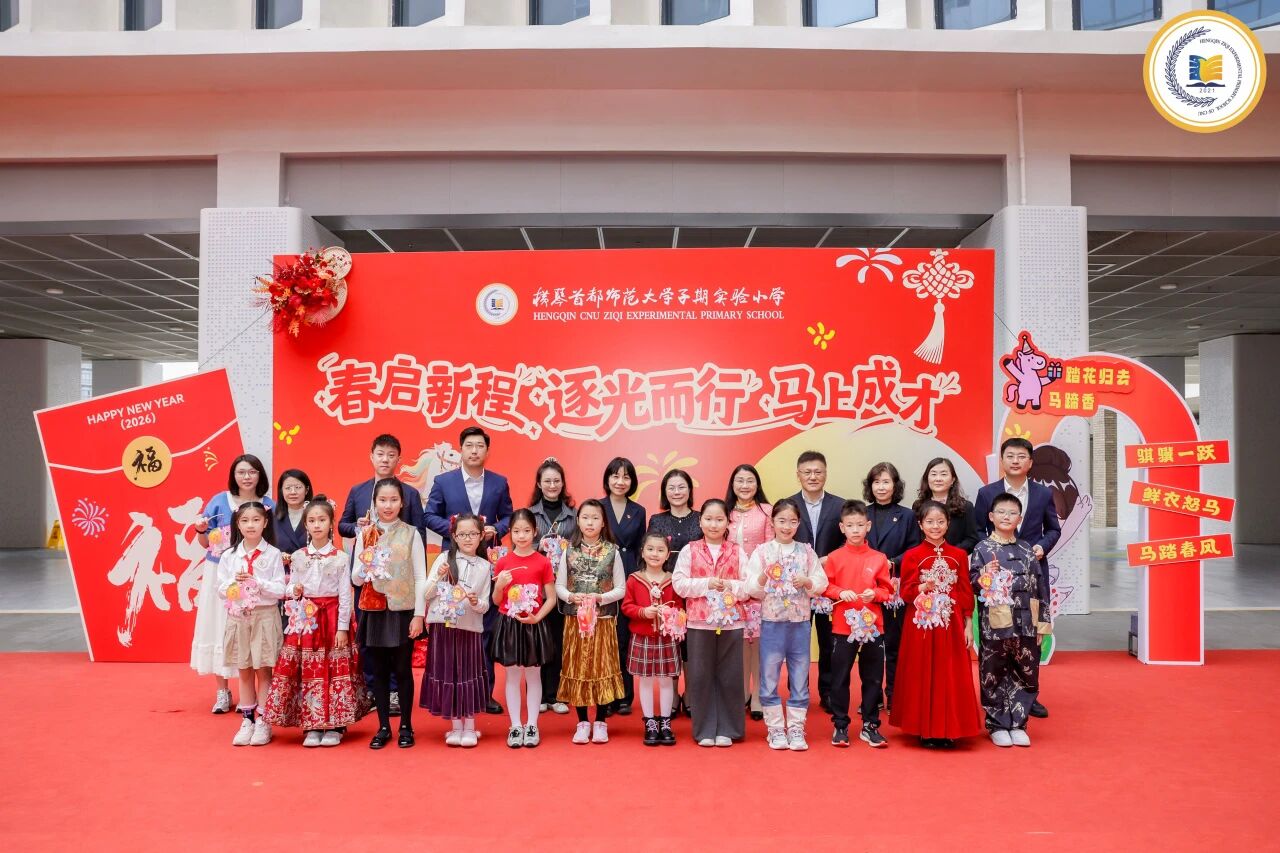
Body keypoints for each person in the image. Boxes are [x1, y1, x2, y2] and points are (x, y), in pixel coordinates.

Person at [262, 496, 371, 747]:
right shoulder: (298, 557)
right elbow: (290, 588)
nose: (317, 524)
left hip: (332, 618)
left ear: (331, 523)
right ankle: (312, 724)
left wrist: (343, 627)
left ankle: (336, 725)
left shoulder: (340, 557)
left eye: (322, 520)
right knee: (308, 669)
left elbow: (345, 595)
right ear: (306, 525)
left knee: (334, 669)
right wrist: (295, 591)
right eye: (311, 520)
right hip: (306, 620)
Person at [424, 426, 513, 715]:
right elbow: (429, 515)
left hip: (486, 560)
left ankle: (483, 692)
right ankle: (451, 692)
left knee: (483, 625)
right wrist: (459, 531)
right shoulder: (444, 481)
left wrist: (496, 529)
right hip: (452, 559)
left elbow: (509, 517)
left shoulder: (499, 482)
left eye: (480, 446)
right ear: (460, 449)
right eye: (469, 446)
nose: (474, 451)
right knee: (453, 628)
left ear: (487, 450)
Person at [338, 434, 425, 717]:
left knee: (398, 644)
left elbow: (418, 533)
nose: (385, 459)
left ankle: (395, 692)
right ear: (371, 456)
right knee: (368, 639)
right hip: (367, 580)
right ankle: (373, 690)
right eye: (380, 454)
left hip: (399, 582)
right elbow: (342, 525)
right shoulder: (358, 490)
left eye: (391, 454)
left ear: (399, 459)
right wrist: (358, 527)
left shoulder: (410, 493)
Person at [973, 437, 1061, 718]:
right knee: (999, 638)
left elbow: (1053, 529)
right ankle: (997, 695)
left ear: (1030, 462)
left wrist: (1041, 547)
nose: (1015, 461)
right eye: (1010, 455)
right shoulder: (987, 493)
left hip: (1030, 575)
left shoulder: (1043, 494)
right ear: (1002, 460)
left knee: (1028, 638)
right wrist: (992, 554)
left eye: (1021, 456)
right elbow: (977, 530)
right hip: (996, 579)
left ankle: (1028, 696)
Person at [889, 501, 983, 748]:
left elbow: (965, 592)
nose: (935, 526)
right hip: (921, 626)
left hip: (951, 624)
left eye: (940, 522)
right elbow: (905, 592)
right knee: (922, 673)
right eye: (929, 522)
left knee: (949, 674)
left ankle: (950, 728)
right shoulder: (912, 556)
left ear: (948, 524)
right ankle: (925, 729)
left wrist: (968, 624)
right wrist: (923, 587)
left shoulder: (959, 555)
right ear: (920, 525)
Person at [191, 454, 273, 713]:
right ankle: (222, 692)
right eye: (241, 472)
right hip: (221, 572)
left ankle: (248, 694)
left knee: (250, 631)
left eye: (252, 471)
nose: (247, 477)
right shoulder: (218, 501)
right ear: (233, 475)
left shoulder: (268, 505)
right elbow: (205, 543)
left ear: (260, 475)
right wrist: (201, 530)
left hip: (255, 575)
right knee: (220, 627)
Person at [744, 499, 827, 751]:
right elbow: (751, 588)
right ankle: (775, 728)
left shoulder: (806, 552)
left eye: (792, 521)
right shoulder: (762, 552)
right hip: (771, 623)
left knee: (800, 676)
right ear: (772, 522)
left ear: (798, 523)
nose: (787, 526)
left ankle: (796, 728)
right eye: (781, 520)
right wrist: (762, 577)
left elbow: (821, 583)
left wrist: (808, 582)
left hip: (800, 624)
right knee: (769, 676)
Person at [970, 493, 1052, 748]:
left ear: (1020, 518)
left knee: (1027, 672)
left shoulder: (1027, 549)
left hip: (1026, 623)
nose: (1007, 517)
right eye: (1001, 512)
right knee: (993, 672)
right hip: (996, 624)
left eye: (1012, 513)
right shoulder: (982, 549)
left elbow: (1040, 587)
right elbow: (972, 584)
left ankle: (1018, 723)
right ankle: (997, 724)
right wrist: (983, 575)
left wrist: (1043, 624)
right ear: (991, 516)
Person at [351, 478, 426, 750]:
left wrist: (419, 615)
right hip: (373, 610)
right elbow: (355, 579)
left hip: (402, 610)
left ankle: (406, 725)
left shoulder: (412, 534)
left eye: (393, 500)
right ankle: (383, 727)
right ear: (374, 503)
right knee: (379, 671)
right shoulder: (366, 535)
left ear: (402, 503)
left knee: (403, 670)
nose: (388, 505)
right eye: (382, 500)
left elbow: (420, 577)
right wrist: (366, 565)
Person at [672, 499, 750, 748]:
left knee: (730, 675)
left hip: (731, 622)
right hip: (699, 622)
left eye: (719, 519)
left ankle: (728, 728)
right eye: (708, 519)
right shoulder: (690, 550)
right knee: (700, 675)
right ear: (700, 521)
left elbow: (748, 586)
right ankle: (704, 729)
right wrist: (707, 584)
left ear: (728, 522)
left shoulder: (737, 551)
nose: (714, 525)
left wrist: (729, 586)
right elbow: (679, 584)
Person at [823, 499, 893, 749]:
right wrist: (840, 592)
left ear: (868, 526)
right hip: (843, 627)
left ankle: (870, 725)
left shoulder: (879, 558)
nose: (855, 530)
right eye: (850, 525)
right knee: (840, 676)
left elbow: (887, 591)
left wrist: (875, 594)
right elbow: (825, 587)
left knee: (873, 677)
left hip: (873, 627)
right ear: (842, 527)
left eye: (860, 525)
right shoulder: (834, 557)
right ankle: (840, 724)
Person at [555, 499, 626, 744]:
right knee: (578, 668)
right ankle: (582, 722)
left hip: (603, 620)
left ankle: (601, 722)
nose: (590, 522)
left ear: (603, 522)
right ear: (578, 520)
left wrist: (600, 598)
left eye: (595, 518)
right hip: (575, 622)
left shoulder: (612, 551)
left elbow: (621, 589)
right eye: (585, 517)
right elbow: (559, 586)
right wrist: (570, 597)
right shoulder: (569, 550)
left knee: (602, 668)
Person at [216, 501, 285, 747]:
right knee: (244, 669)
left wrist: (258, 582)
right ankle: (247, 720)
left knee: (264, 669)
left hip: (265, 616)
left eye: (256, 520)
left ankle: (264, 720)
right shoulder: (229, 556)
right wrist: (234, 585)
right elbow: (220, 589)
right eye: (245, 521)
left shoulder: (273, 554)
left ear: (265, 523)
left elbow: (280, 589)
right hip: (239, 617)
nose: (250, 525)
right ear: (237, 524)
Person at [422, 513, 493, 748]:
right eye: (462, 534)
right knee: (449, 673)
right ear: (453, 536)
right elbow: (426, 593)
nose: (468, 538)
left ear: (481, 536)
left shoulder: (485, 566)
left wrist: (475, 602)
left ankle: (470, 726)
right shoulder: (444, 558)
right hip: (444, 626)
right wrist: (439, 576)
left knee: (468, 674)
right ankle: (455, 726)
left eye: (473, 533)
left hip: (469, 628)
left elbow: (485, 605)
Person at [490, 509, 556, 748]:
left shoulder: (543, 562)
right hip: (509, 624)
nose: (521, 535)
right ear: (510, 533)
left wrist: (537, 618)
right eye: (517, 531)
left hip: (533, 624)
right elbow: (496, 600)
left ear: (535, 531)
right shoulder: (503, 562)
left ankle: (532, 725)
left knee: (533, 675)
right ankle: (516, 725)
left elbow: (551, 598)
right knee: (512, 675)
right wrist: (500, 586)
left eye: (526, 530)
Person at [787, 450, 845, 713]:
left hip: (828, 586)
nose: (813, 476)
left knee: (828, 641)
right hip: (796, 586)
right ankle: (798, 692)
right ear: (798, 475)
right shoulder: (788, 505)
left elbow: (848, 542)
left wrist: (828, 560)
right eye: (807, 472)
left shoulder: (840, 505)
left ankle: (828, 693)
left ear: (825, 474)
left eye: (818, 472)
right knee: (797, 642)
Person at [863, 461, 922, 712]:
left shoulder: (907, 515)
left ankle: (895, 695)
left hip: (895, 589)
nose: (881, 487)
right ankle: (872, 697)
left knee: (894, 645)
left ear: (895, 485)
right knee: (870, 644)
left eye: (886, 481)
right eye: (876, 482)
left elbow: (914, 549)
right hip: (866, 588)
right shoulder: (863, 514)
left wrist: (892, 562)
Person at [645, 468, 701, 716]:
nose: (677, 492)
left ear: (689, 490)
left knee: (691, 643)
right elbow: (650, 553)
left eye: (681, 487)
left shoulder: (700, 518)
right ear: (664, 492)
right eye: (671, 488)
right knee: (671, 640)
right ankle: (673, 694)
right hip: (666, 589)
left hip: (694, 590)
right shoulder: (657, 520)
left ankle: (691, 693)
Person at [621, 532, 683, 747]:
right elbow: (626, 606)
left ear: (668, 554)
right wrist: (643, 612)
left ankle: (665, 722)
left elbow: (680, 607)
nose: (655, 554)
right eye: (650, 549)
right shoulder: (634, 579)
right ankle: (649, 722)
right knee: (645, 681)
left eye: (660, 550)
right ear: (642, 552)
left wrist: (672, 615)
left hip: (666, 638)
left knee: (666, 681)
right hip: (643, 637)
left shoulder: (673, 580)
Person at [528, 458, 576, 716]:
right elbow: (521, 544)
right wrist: (540, 548)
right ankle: (537, 694)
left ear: (563, 483)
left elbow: (579, 547)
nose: (552, 485)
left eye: (556, 480)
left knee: (559, 639)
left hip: (564, 585)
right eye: (547, 480)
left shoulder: (574, 515)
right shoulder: (530, 514)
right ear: (539, 483)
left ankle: (556, 694)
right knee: (537, 639)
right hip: (536, 586)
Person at [601, 456, 646, 716]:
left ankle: (625, 696)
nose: (620, 481)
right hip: (603, 578)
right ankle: (605, 696)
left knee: (625, 637)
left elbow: (641, 547)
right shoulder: (598, 507)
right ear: (607, 479)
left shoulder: (638, 510)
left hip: (629, 575)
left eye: (626, 477)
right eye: (615, 476)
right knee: (605, 638)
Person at [726, 463, 772, 722]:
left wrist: (759, 581)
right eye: (740, 480)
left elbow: (770, 548)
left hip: (759, 585)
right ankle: (742, 691)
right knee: (740, 641)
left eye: (750, 480)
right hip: (733, 588)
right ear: (732, 484)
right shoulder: (725, 512)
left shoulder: (767, 511)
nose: (745, 485)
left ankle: (758, 696)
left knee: (759, 643)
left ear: (757, 484)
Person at [912, 457, 979, 552]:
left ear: (952, 480)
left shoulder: (965, 506)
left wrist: (950, 553)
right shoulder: (918, 506)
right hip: (924, 558)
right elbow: (914, 538)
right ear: (927, 479)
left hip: (954, 558)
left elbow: (972, 539)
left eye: (943, 474)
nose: (938, 479)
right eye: (934, 474)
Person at [272, 469, 312, 559]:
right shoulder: (271, 518)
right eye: (288, 488)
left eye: (298, 487)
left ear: (306, 490)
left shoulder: (316, 516)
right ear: (281, 491)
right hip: (280, 567)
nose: (293, 492)